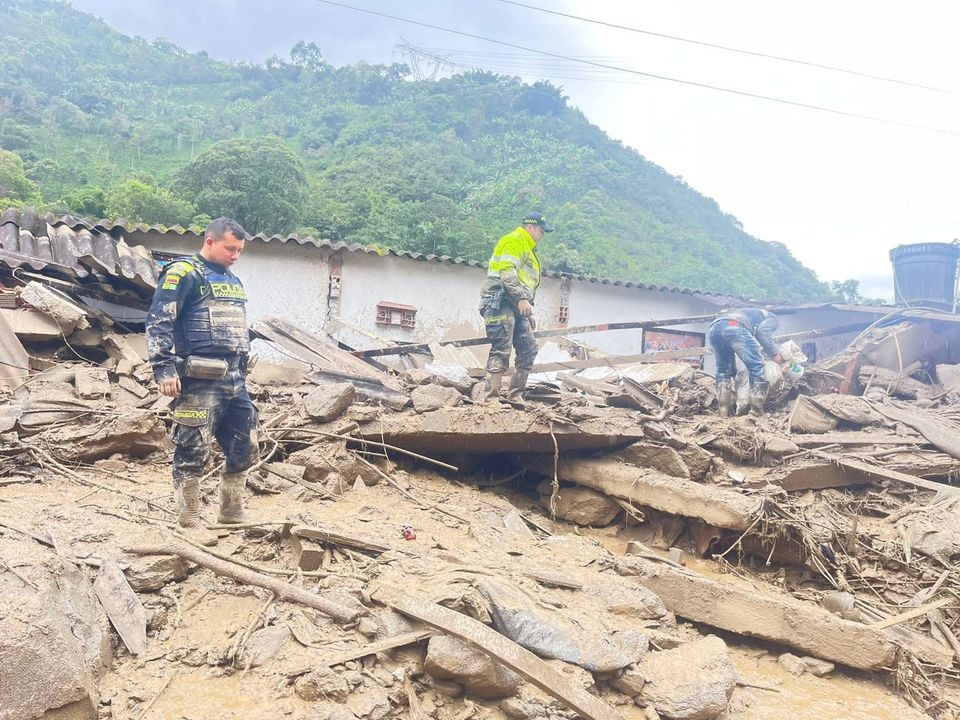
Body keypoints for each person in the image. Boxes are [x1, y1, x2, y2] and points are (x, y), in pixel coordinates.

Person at [146, 217, 259, 535]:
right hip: (199, 380)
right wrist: (164, 368)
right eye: (230, 249)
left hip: (235, 380)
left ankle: (231, 512)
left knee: (246, 444)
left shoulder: (234, 281)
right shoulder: (184, 273)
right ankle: (190, 519)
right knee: (192, 449)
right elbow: (159, 322)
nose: (235, 255)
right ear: (210, 242)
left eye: (239, 250)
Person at [479, 211, 552, 407]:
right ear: (530, 227)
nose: (542, 235)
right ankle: (490, 398)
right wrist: (521, 298)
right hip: (499, 301)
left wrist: (527, 308)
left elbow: (524, 282)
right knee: (501, 348)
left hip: (516, 304)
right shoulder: (514, 241)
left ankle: (516, 396)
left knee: (528, 348)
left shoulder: (528, 248)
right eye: (541, 231)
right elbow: (507, 274)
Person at [708, 307, 783, 416]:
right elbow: (762, 332)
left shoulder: (747, 312)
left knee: (723, 370)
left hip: (714, 328)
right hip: (734, 325)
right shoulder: (772, 318)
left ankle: (723, 412)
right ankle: (756, 411)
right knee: (757, 367)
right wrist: (774, 353)